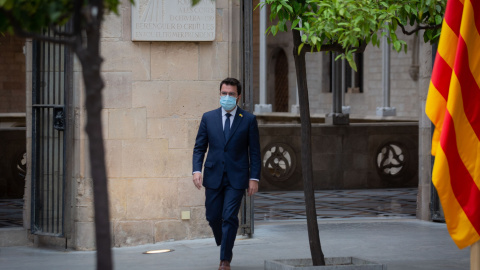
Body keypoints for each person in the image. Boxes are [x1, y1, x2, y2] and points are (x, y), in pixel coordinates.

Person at [192, 77, 261, 270]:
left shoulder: (248, 120)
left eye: (231, 94)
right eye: (224, 93)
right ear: (219, 94)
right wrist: (196, 170)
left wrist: (254, 178)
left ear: (238, 96)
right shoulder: (208, 117)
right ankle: (226, 240)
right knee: (213, 216)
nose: (227, 97)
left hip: (237, 177)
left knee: (229, 216)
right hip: (213, 175)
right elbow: (199, 147)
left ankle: (225, 260)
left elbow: (254, 151)